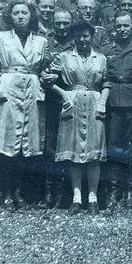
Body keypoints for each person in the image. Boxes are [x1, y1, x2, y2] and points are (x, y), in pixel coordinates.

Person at [0, 0, 48, 210]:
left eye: (25, 13)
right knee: (7, 142)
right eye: (16, 13)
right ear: (10, 16)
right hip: (8, 90)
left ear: (31, 16)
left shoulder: (41, 41)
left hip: (31, 90)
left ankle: (18, 192)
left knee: (26, 145)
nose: (20, 16)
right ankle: (4, 193)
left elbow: (43, 68)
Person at [49, 21, 111, 215]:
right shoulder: (64, 57)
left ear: (91, 37)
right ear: (73, 37)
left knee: (94, 154)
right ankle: (77, 198)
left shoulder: (100, 58)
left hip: (94, 103)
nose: (82, 40)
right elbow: (47, 78)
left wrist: (103, 102)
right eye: (78, 36)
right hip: (73, 103)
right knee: (74, 153)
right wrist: (63, 93)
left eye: (86, 36)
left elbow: (107, 82)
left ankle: (92, 197)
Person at [102, 11, 132, 209]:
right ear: (113, 26)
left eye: (126, 26)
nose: (122, 29)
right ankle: (114, 189)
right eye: (118, 26)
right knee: (112, 146)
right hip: (112, 102)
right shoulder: (105, 50)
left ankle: (130, 189)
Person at [40, 8, 75, 208]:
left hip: (71, 100)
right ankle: (49, 191)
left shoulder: (76, 43)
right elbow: (38, 69)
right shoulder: (45, 42)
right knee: (51, 146)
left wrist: (59, 77)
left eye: (66, 23)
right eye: (58, 23)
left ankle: (65, 191)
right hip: (51, 100)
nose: (62, 27)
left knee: (69, 145)